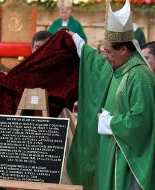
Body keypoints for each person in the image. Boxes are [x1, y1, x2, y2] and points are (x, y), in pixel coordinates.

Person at [66, 0, 155, 190]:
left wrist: (111, 123)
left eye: (107, 51)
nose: (104, 55)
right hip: (112, 151)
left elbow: (142, 120)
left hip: (128, 158)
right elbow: (98, 66)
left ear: (123, 50)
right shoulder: (118, 67)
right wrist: (81, 46)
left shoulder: (140, 75)